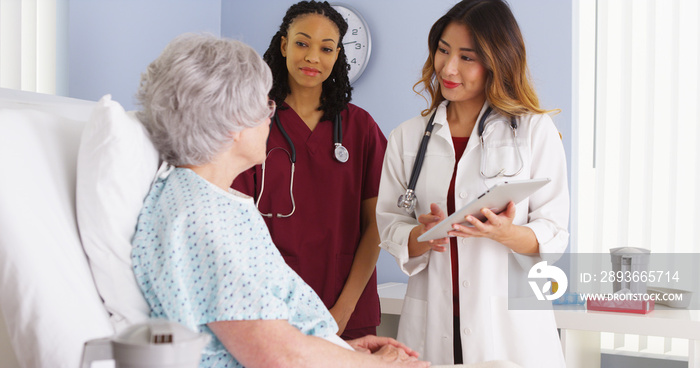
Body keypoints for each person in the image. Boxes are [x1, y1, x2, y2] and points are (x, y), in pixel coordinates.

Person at [131, 33, 429, 368]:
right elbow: (277, 355)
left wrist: (342, 350)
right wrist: (379, 366)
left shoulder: (210, 201)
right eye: (264, 104)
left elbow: (267, 335)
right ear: (231, 121)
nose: (271, 115)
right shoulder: (202, 219)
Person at [375, 1, 569, 367]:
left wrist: (504, 232)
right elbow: (389, 222)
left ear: (498, 61)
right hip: (433, 324)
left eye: (468, 57)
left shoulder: (532, 131)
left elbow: (555, 231)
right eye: (443, 51)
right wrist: (419, 236)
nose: (449, 68)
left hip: (511, 331)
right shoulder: (408, 137)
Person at [232, 1, 386, 340]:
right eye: (302, 43)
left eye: (326, 48)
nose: (313, 57)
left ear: (337, 55)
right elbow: (236, 222)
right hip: (271, 309)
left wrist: (343, 311)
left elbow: (377, 225)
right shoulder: (253, 122)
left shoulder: (359, 127)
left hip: (347, 309)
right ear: (284, 45)